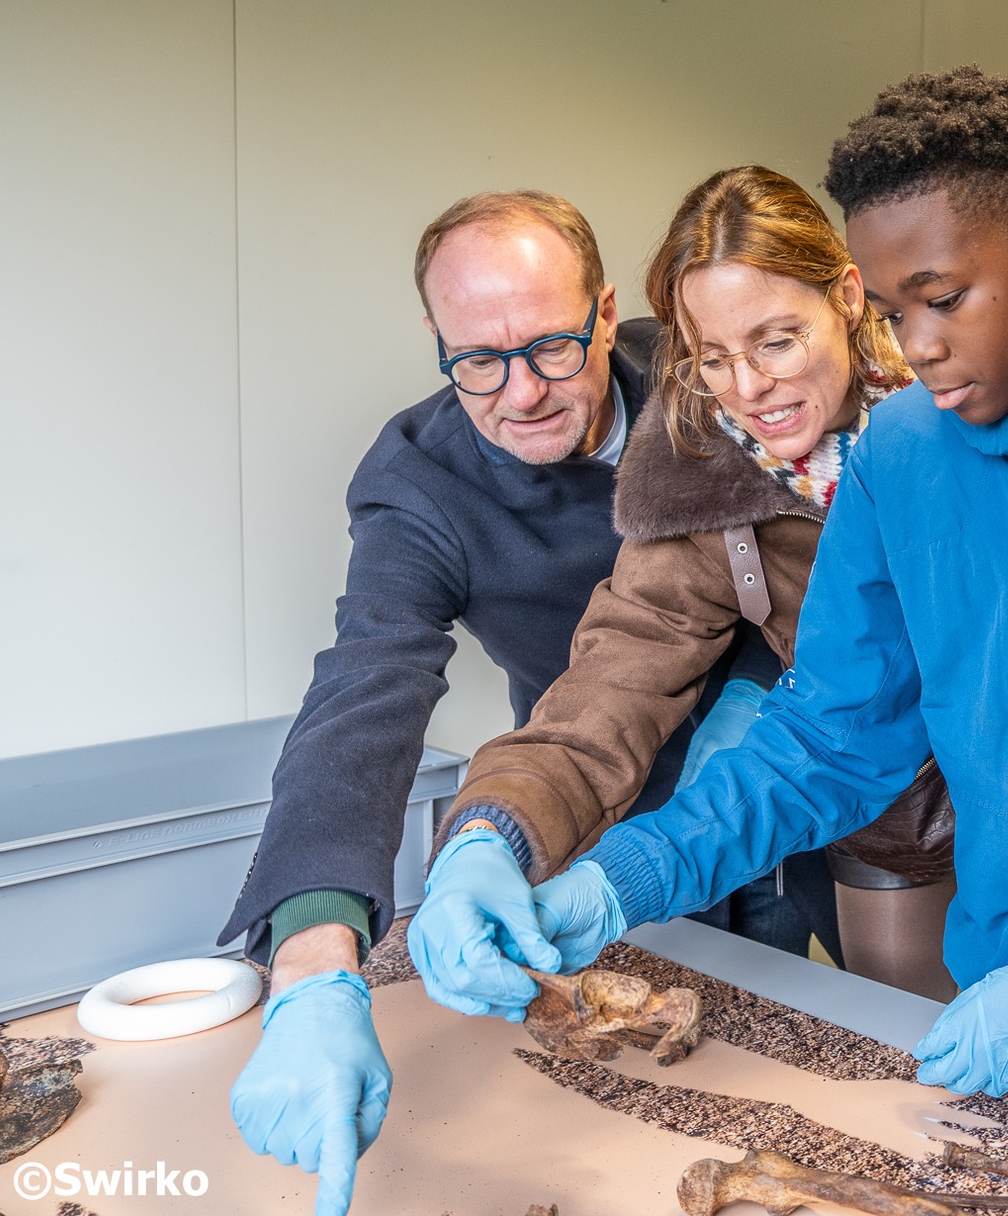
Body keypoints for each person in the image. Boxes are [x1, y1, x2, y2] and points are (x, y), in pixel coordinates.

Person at [415, 67, 1008, 1095]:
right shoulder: (902, 451)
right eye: (897, 309)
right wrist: (621, 879)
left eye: (939, 301)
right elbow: (830, 737)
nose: (918, 349)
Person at [221, 191, 803, 1216]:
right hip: (577, 794)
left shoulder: (715, 378)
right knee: (633, 1102)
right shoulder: (420, 482)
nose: (520, 392)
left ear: (607, 308)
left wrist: (756, 698)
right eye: (477, 360)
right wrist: (312, 960)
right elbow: (367, 684)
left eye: (549, 348)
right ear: (436, 341)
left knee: (797, 1047)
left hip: (805, 758)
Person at [409, 165, 961, 1015]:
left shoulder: (964, 399)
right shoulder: (705, 471)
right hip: (896, 812)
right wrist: (491, 834)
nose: (747, 390)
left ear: (848, 296)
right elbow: (615, 675)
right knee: (923, 1040)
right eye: (712, 357)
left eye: (776, 341)